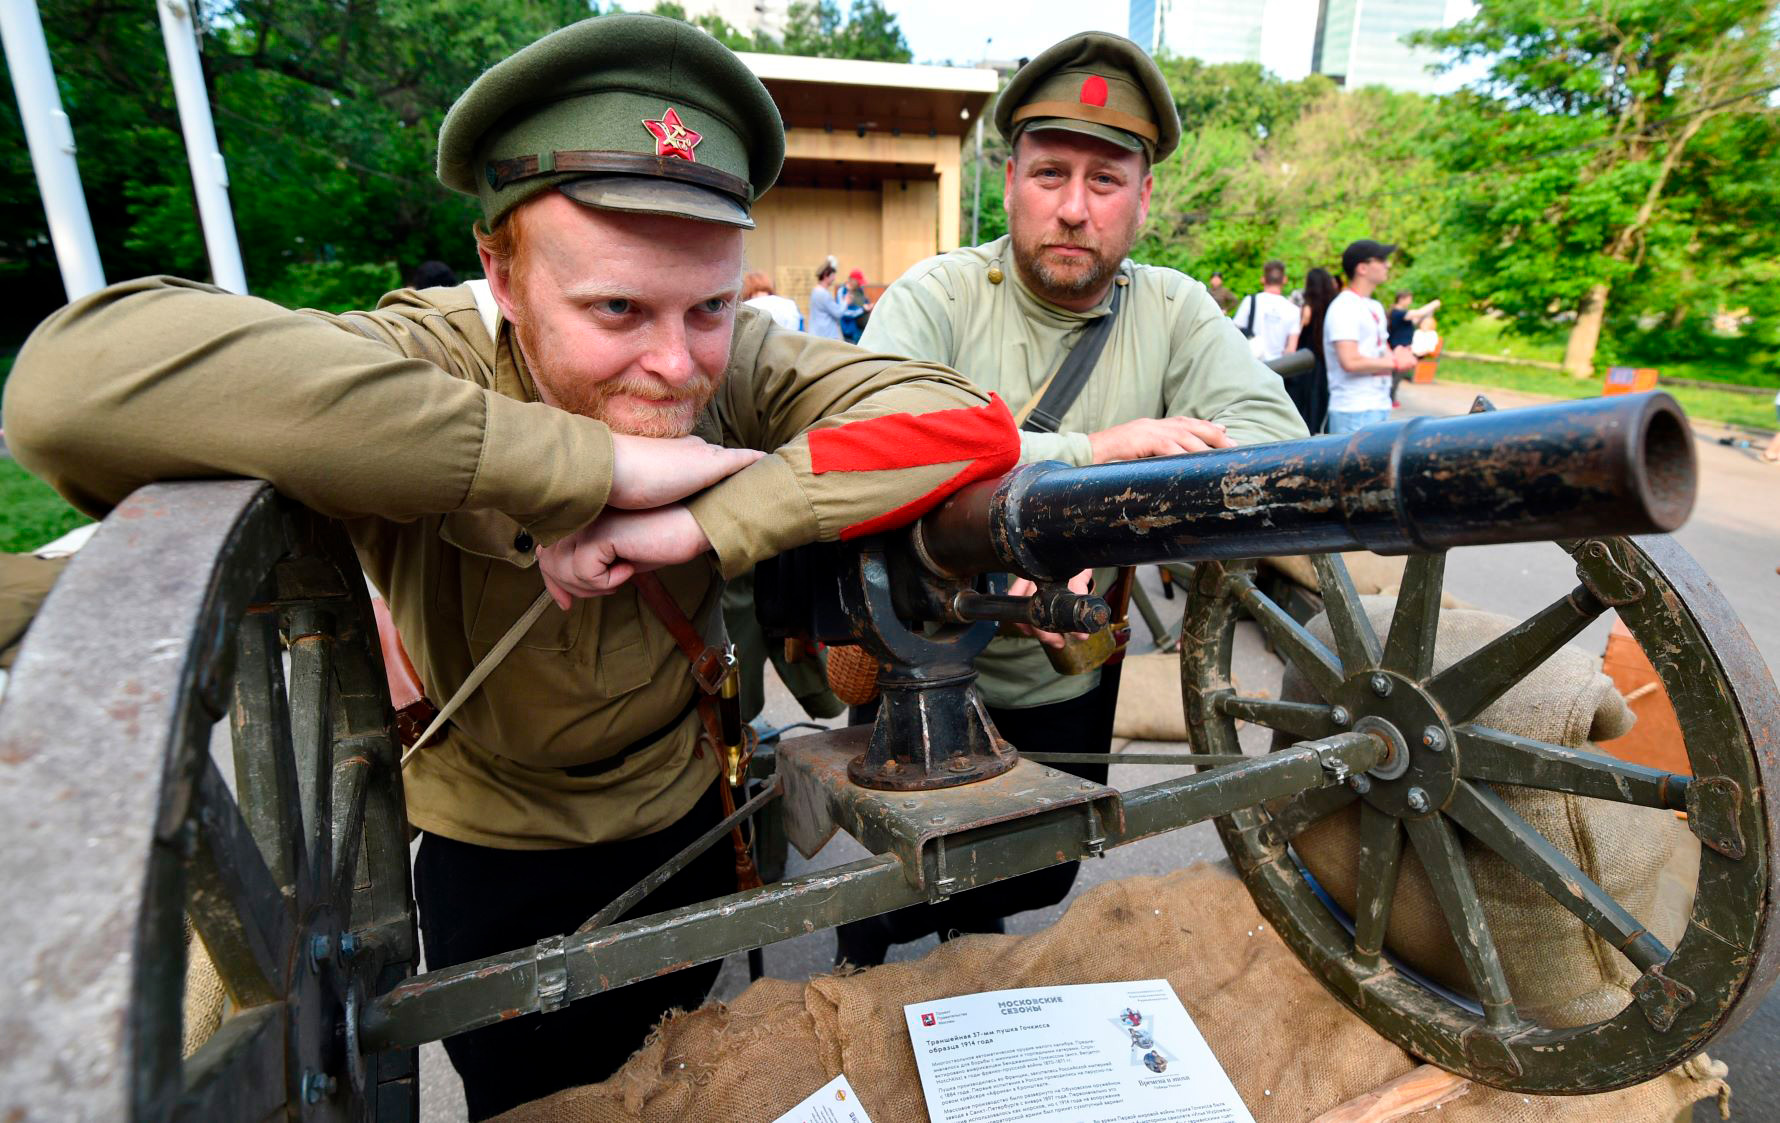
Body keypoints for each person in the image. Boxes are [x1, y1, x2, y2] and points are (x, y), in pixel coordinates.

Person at [1, 15, 1020, 1119]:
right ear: (501, 267)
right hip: (498, 856)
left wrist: (696, 524)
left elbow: (964, 423)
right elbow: (70, 387)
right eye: (616, 308)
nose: (676, 363)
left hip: (690, 815)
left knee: (688, 1078)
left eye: (711, 306)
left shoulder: (749, 363)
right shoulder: (426, 359)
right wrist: (584, 465)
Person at [841, 30, 1306, 968]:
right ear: (1010, 180)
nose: (1073, 208)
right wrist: (1092, 452)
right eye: (1051, 173)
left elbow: (1278, 444)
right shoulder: (938, 295)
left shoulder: (1173, 307)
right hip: (924, 652)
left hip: (1068, 660)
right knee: (899, 881)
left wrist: (1115, 519)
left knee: (1038, 870)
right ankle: (868, 952)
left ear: (1143, 199)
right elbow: (868, 446)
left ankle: (965, 956)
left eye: (1105, 180)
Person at [1324, 239, 1415, 434]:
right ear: (1362, 268)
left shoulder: (1373, 306)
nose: (1387, 265)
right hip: (1353, 409)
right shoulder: (1344, 307)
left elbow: (1381, 348)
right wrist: (1396, 363)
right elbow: (1350, 361)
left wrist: (1399, 353)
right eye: (1381, 259)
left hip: (1378, 404)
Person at [1293, 266, 1338, 433]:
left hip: (1307, 359)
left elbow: (1300, 330)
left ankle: (1306, 430)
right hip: (1325, 357)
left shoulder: (1308, 307)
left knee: (1306, 399)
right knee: (1320, 397)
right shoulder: (1333, 305)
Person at [1232, 260, 1301, 362]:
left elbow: (1234, 333)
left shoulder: (1250, 301)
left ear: (1263, 279)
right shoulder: (1294, 310)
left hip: (1252, 367)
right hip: (1279, 370)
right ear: (1285, 280)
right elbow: (1291, 350)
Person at [1384, 289, 1440, 405]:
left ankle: (1390, 398)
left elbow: (1417, 318)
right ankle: (1390, 398)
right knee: (1396, 376)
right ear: (1402, 299)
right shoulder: (1398, 312)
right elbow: (1418, 313)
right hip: (1399, 349)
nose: (1410, 301)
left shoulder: (1401, 313)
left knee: (1397, 375)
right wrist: (1433, 304)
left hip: (1402, 348)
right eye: (1409, 299)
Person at [807, 257, 844, 338]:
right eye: (832, 275)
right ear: (825, 275)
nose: (834, 278)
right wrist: (846, 302)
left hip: (819, 334)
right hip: (824, 336)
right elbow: (838, 313)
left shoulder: (816, 291)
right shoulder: (823, 294)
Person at [840, 268, 872, 344]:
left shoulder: (860, 290)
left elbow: (864, 301)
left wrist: (868, 305)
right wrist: (863, 309)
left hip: (861, 330)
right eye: (859, 282)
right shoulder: (844, 291)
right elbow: (844, 312)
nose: (860, 284)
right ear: (852, 280)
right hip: (850, 332)